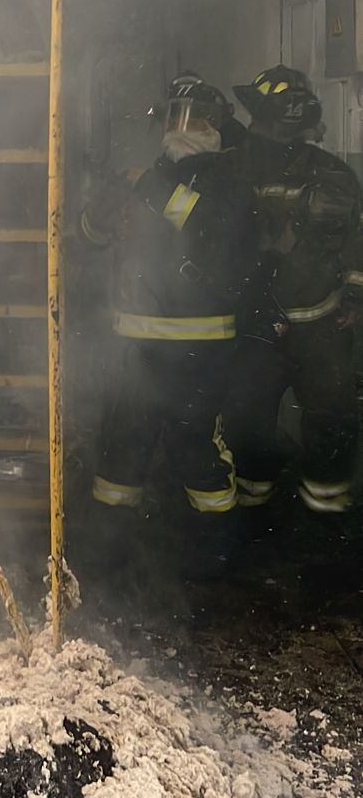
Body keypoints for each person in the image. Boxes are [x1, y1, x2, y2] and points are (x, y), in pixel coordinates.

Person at [83, 75, 258, 561]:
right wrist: (101, 210)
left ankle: (213, 551)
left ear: (214, 124)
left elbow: (206, 228)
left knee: (195, 445)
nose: (180, 128)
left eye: (194, 118)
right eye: (173, 117)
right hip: (134, 342)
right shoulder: (149, 175)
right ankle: (108, 551)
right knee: (123, 443)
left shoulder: (229, 180)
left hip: (198, 347)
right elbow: (92, 235)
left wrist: (147, 185)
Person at [226, 66, 363, 514]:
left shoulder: (332, 173)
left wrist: (354, 295)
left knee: (331, 413)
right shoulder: (230, 167)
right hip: (255, 322)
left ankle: (324, 503)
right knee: (248, 413)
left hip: (319, 322)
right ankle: (257, 494)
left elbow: (356, 237)